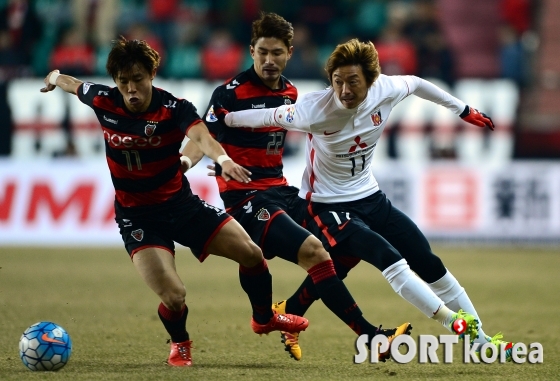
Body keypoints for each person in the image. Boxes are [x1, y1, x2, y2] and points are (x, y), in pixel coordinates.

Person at [183, 13, 476, 362]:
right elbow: (202, 136)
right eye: (262, 52)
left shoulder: (292, 93)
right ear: (251, 51)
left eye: (277, 52)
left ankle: (289, 309)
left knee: (341, 250)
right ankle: (370, 335)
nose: (269, 60)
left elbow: (286, 121)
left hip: (283, 190)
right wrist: (186, 163)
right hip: (245, 196)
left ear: (290, 52)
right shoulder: (229, 93)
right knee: (319, 251)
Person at [39, 36, 309, 367]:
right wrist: (53, 78)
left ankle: (264, 317)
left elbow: (201, 136)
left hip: (182, 206)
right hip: (138, 219)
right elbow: (73, 84)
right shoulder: (103, 99)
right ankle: (180, 342)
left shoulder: (173, 108)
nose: (132, 89)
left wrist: (223, 161)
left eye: (138, 79)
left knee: (252, 254)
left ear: (152, 74)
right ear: (116, 82)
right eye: (124, 82)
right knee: (174, 295)